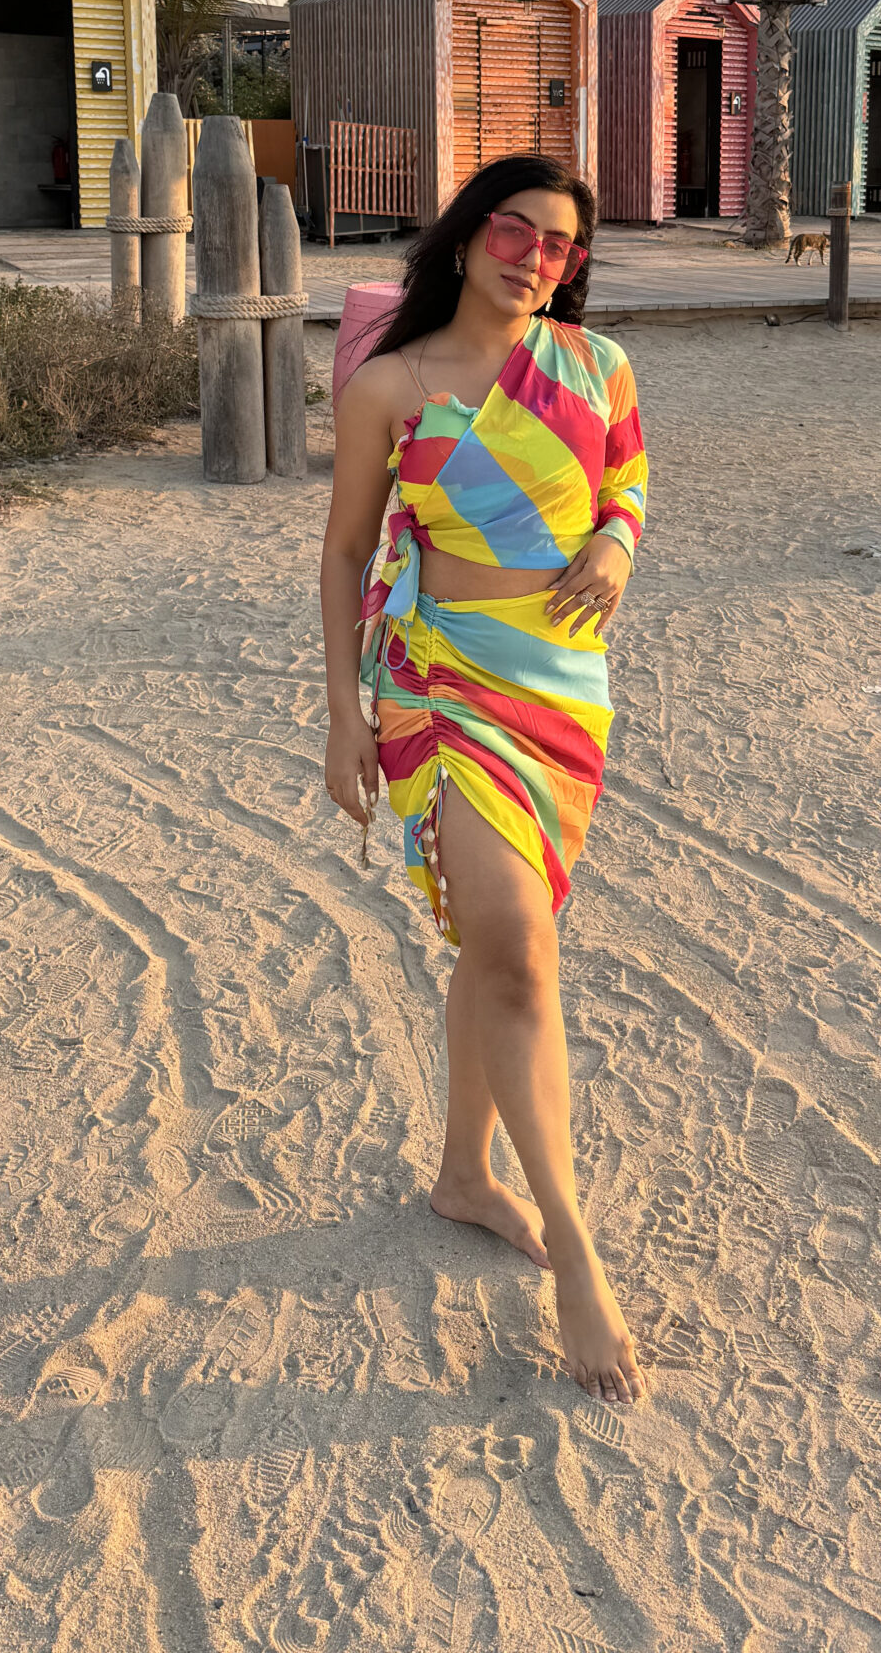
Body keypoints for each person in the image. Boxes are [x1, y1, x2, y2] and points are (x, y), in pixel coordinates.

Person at [319, 154, 649, 1405]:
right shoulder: (390, 386)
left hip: (561, 687)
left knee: (497, 945)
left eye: (559, 245)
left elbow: (625, 482)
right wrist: (341, 716)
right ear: (466, 237)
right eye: (514, 230)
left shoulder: (598, 366)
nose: (533, 258)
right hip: (440, 681)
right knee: (516, 948)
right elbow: (347, 552)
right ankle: (574, 1244)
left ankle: (465, 1174)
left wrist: (615, 545)